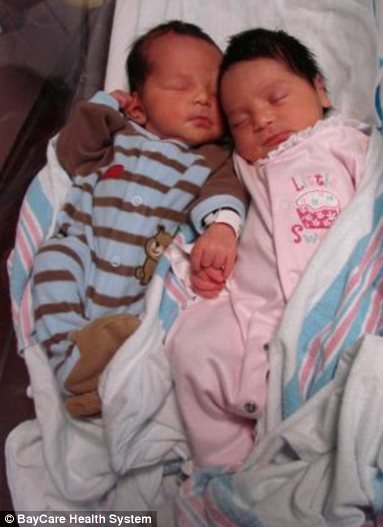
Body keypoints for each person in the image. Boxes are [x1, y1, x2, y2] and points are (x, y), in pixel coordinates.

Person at [165, 28, 370, 466]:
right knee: (191, 347)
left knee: (366, 376)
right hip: (256, 309)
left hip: (337, 302)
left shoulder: (342, 143)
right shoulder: (242, 164)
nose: (261, 120)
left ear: (320, 90)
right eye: (240, 121)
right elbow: (215, 188)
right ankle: (229, 469)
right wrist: (220, 233)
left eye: (277, 98)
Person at [31, 21, 247, 418]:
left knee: (166, 319)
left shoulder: (211, 158)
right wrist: (105, 105)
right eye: (180, 86)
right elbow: (71, 152)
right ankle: (70, 361)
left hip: (143, 275)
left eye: (215, 93)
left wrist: (221, 228)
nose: (202, 98)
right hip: (84, 248)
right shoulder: (117, 133)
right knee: (50, 263)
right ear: (138, 106)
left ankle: (105, 376)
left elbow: (225, 191)